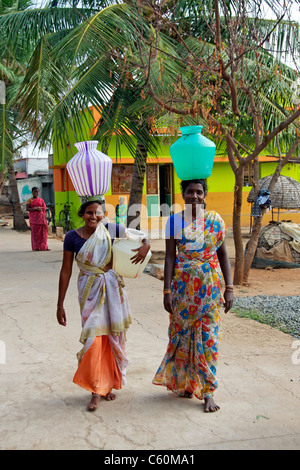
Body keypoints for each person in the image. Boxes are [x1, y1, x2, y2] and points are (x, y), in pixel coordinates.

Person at [56, 197, 150, 411]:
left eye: (98, 212)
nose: (94, 216)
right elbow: (66, 270)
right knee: (94, 341)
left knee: (111, 340)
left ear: (103, 214)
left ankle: (103, 387)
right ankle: (96, 389)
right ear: (82, 214)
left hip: (112, 291)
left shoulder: (109, 228)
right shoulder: (72, 237)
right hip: (89, 291)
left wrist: (147, 246)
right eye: (89, 212)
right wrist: (60, 304)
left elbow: (140, 237)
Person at [152, 179, 234, 412]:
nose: (195, 196)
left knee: (209, 340)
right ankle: (187, 384)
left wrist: (230, 288)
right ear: (183, 194)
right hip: (182, 291)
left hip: (210, 291)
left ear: (205, 194)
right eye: (190, 192)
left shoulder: (215, 221)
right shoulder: (174, 221)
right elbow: (169, 257)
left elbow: (223, 255)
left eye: (199, 192)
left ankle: (208, 392)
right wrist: (166, 290)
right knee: (182, 338)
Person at [26, 187, 49, 251]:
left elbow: (44, 207)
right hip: (34, 220)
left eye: (37, 192)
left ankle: (44, 247)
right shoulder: (29, 200)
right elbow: (27, 208)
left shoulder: (41, 200)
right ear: (32, 192)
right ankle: (36, 247)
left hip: (41, 219)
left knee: (43, 233)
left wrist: (40, 208)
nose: (36, 193)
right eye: (34, 191)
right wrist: (35, 208)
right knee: (35, 234)